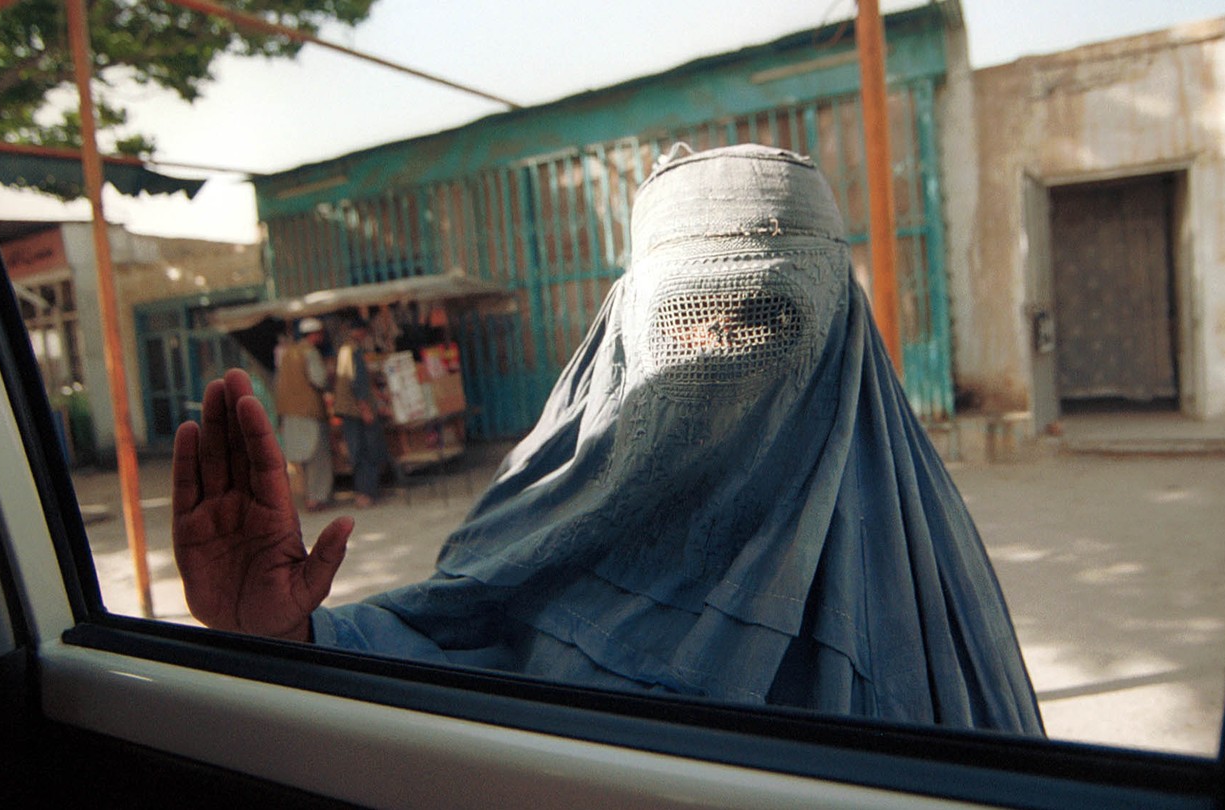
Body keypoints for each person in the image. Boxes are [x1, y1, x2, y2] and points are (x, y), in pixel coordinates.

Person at [172, 144, 1043, 733]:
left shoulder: (925, 591)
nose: (719, 356)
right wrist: (283, 640)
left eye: (768, 319)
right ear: (627, 332)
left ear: (838, 335)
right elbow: (443, 653)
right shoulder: (537, 522)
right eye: (688, 322)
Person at [274, 316, 333, 512]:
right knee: (318, 456)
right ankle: (316, 498)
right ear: (314, 335)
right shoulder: (310, 353)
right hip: (309, 413)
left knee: (303, 459)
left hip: (290, 414)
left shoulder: (288, 353)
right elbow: (319, 379)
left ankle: (308, 495)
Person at [333, 315, 392, 508]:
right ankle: (366, 493)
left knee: (358, 451)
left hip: (349, 410)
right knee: (367, 450)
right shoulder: (354, 351)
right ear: (360, 332)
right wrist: (366, 408)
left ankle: (363, 492)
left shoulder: (344, 350)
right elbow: (357, 383)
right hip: (357, 410)